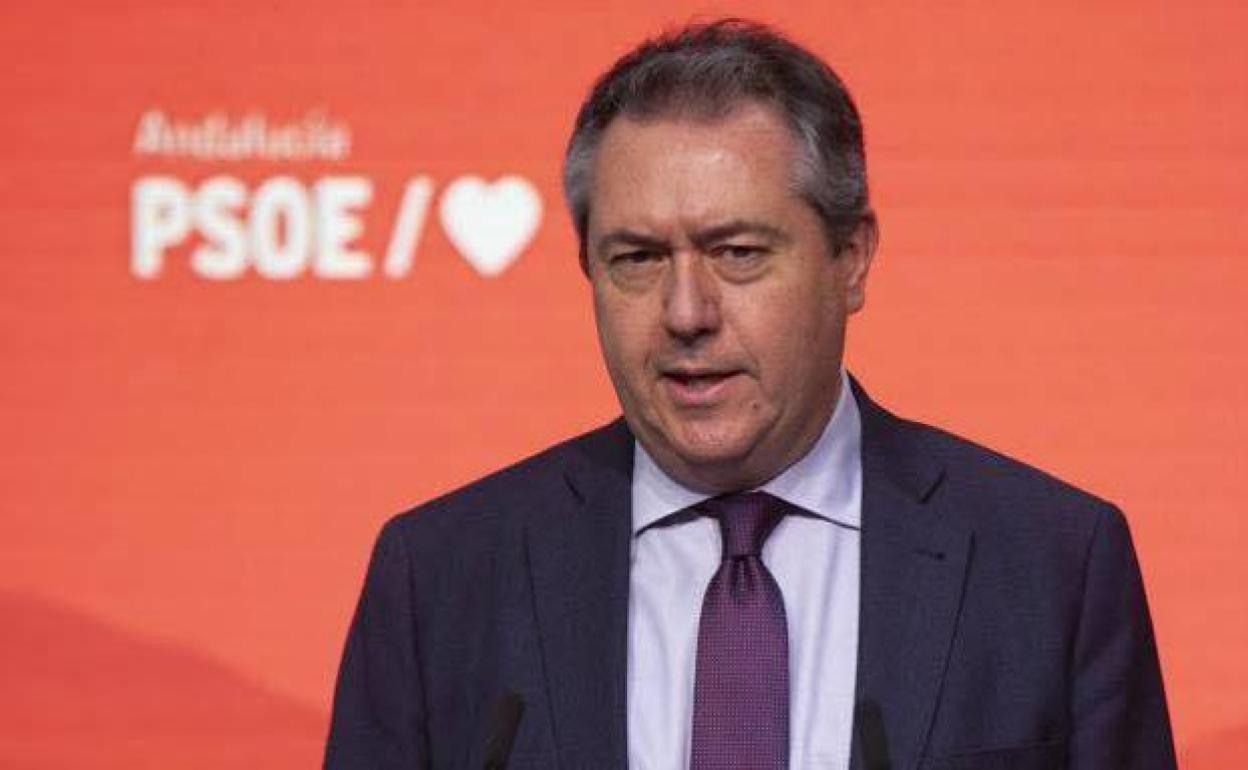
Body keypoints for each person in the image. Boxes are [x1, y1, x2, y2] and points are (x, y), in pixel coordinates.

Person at [324, 19, 1175, 770]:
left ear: (850, 259)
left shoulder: (1051, 563)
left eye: (736, 253)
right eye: (637, 259)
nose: (685, 313)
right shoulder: (440, 577)